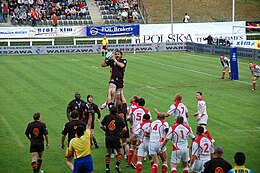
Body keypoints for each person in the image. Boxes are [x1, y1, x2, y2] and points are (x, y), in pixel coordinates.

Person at [100, 104, 127, 173]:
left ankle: (107, 168)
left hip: (108, 137)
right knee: (119, 152)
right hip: (116, 137)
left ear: (110, 111)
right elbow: (125, 129)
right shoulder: (119, 118)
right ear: (117, 111)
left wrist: (106, 130)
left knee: (108, 153)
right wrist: (121, 134)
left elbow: (101, 125)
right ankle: (117, 165)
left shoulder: (107, 117)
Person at [127, 98, 151, 168]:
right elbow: (150, 120)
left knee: (133, 145)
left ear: (138, 103)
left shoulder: (133, 110)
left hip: (134, 129)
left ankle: (128, 162)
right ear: (144, 104)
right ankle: (134, 161)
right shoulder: (146, 111)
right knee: (140, 146)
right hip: (142, 130)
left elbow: (128, 118)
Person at [116, 91, 130, 161]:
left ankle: (118, 155)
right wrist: (121, 93)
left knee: (118, 142)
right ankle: (126, 154)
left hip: (118, 128)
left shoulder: (115, 111)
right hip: (125, 127)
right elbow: (124, 100)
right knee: (125, 143)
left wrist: (117, 95)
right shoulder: (124, 109)